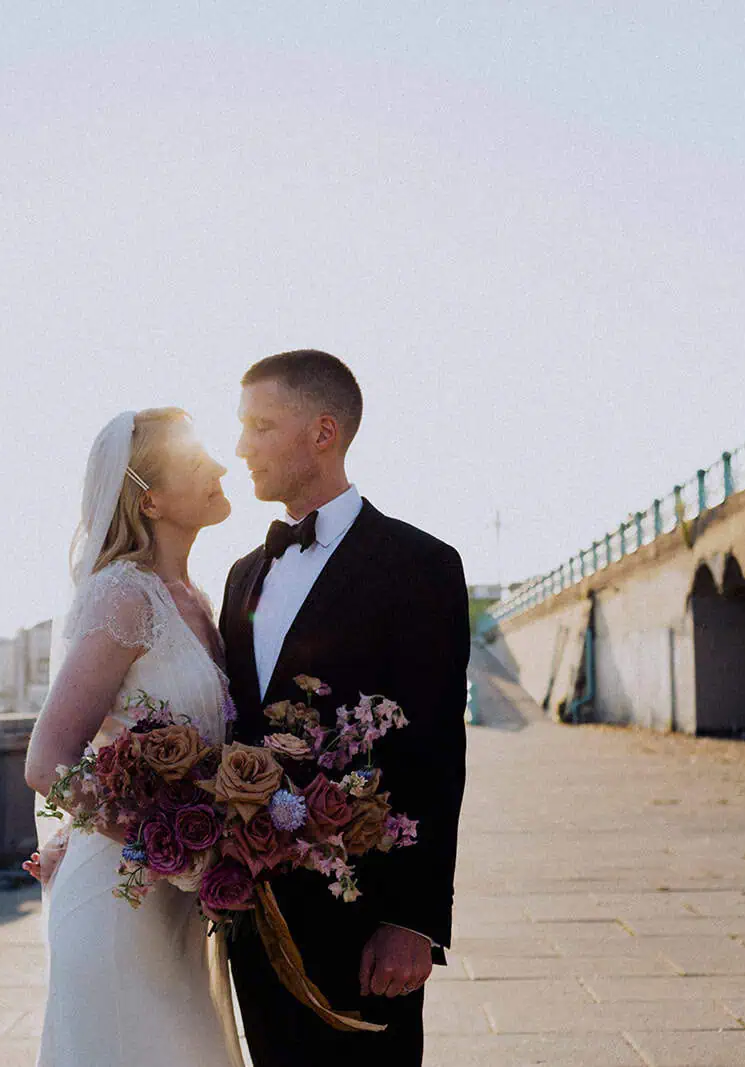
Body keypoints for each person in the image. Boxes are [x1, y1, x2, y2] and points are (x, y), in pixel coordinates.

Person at [220, 350, 470, 1067]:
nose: (241, 447)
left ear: (322, 432)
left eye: (261, 426)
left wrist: (413, 921)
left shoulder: (421, 565)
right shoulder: (242, 574)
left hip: (367, 924)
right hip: (254, 916)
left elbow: (435, 754)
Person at [23, 407, 246, 1067]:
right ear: (149, 499)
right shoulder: (124, 596)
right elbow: (47, 760)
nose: (220, 465)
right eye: (196, 461)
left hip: (179, 910)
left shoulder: (195, 599)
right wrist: (169, 845)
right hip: (119, 906)